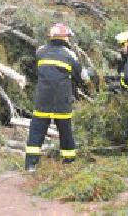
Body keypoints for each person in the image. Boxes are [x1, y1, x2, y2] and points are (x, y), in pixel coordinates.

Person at [24, 23, 84, 171]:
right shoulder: (69, 54)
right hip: (62, 101)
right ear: (64, 38)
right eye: (68, 37)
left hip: (42, 99)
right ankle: (69, 163)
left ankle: (31, 165)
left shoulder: (40, 52)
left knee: (36, 132)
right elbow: (80, 76)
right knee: (65, 132)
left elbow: (35, 72)